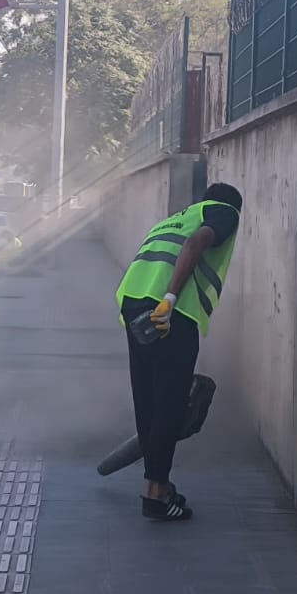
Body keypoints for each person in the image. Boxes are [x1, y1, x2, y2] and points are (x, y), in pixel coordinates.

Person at [114, 182, 242, 521]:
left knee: (148, 400)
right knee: (170, 403)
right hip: (168, 312)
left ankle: (157, 485)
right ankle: (155, 495)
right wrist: (170, 299)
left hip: (132, 303)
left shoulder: (174, 218)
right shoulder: (224, 212)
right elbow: (197, 243)